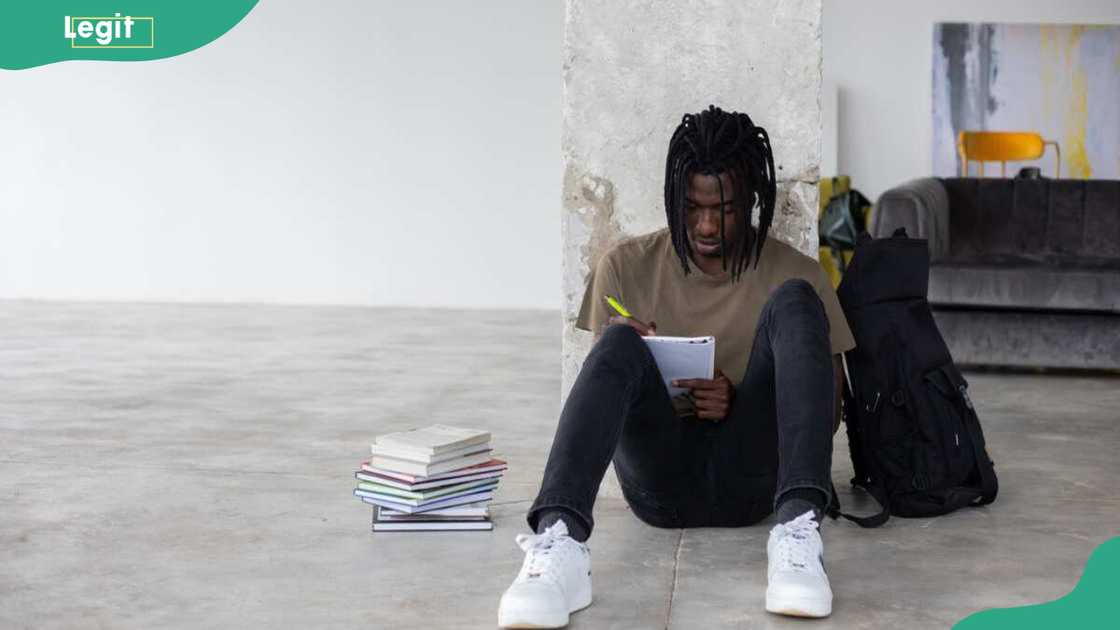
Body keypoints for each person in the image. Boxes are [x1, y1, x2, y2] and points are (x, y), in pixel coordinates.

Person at [497, 105, 856, 628]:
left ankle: (799, 532)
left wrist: (739, 398)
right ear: (673, 199)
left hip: (754, 480)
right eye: (691, 207)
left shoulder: (792, 271)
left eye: (726, 209)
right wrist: (645, 366)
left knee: (797, 299)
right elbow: (605, 400)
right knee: (619, 343)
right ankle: (559, 545)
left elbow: (830, 413)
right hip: (659, 483)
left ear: (753, 200)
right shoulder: (625, 266)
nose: (707, 225)